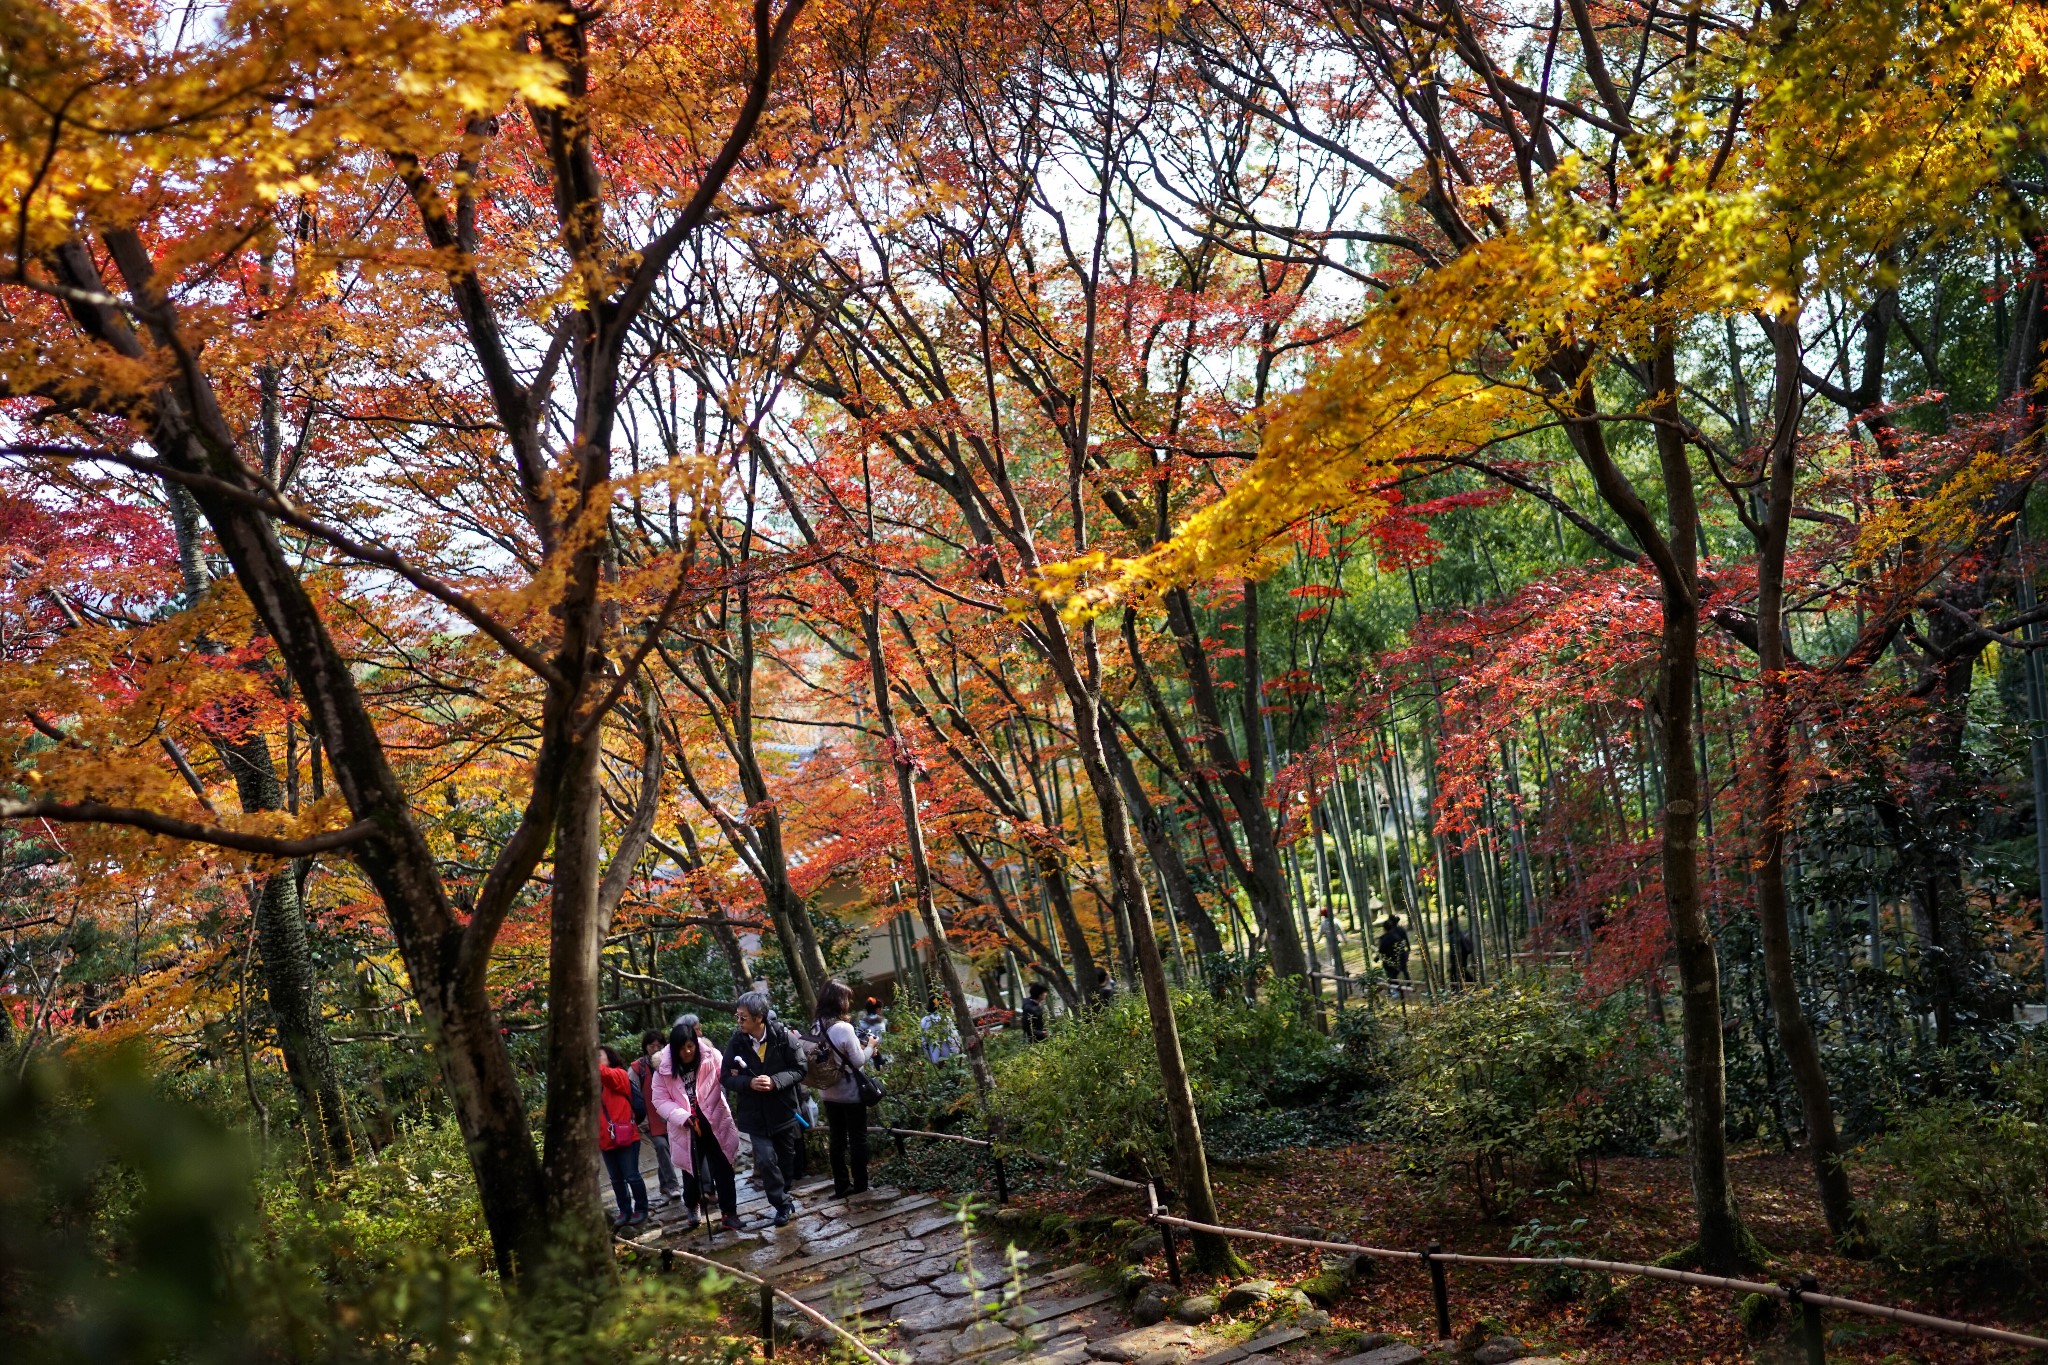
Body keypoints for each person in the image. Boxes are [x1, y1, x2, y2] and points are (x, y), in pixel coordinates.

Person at [650, 1015, 744, 1232]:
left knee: (724, 1167)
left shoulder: (711, 1056)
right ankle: (692, 1204)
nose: (687, 1052)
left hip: (714, 1119)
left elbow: (725, 1075)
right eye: (682, 1048)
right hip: (686, 1127)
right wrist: (684, 1117)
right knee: (692, 1173)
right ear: (674, 1049)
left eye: (691, 1046)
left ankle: (730, 1214)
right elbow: (660, 1100)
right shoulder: (663, 1070)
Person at [724, 990, 806, 1227]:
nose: (739, 1022)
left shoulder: (783, 1036)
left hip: (783, 1111)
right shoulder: (737, 1042)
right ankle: (780, 1204)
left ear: (759, 1018)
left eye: (743, 1018)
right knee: (767, 1160)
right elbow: (726, 1076)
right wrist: (748, 1083)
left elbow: (800, 1069)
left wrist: (775, 1081)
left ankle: (785, 1194)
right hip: (754, 1115)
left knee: (786, 1162)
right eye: (737, 1017)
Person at [810, 980, 873, 1198]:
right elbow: (857, 1061)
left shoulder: (816, 1026)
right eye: (846, 998)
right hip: (850, 1093)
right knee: (857, 1138)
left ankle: (841, 1185)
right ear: (839, 1001)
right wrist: (871, 1048)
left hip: (828, 1093)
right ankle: (861, 1185)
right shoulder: (843, 1028)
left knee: (836, 1140)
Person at [597, 1045, 649, 1228]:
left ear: (609, 1058)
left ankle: (641, 1208)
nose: (595, 1059)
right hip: (605, 1139)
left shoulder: (618, 1075)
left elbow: (605, 1075)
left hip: (626, 1136)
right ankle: (624, 1210)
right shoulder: (594, 1084)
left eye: (598, 1056)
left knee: (632, 1175)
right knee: (616, 1179)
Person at [631, 1029, 682, 1206]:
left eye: (659, 1045)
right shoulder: (637, 1068)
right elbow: (632, 1095)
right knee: (662, 1146)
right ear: (645, 1047)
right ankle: (673, 1185)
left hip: (669, 1115)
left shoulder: (668, 1063)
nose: (656, 1048)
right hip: (649, 1119)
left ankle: (664, 1185)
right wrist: (639, 1120)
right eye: (652, 1045)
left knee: (667, 1149)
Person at [918, 994, 960, 1062]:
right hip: (947, 1056)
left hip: (933, 1057)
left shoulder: (924, 1021)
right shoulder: (945, 1019)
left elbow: (924, 1041)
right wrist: (956, 1053)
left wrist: (928, 1056)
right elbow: (953, 1037)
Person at [1376, 915, 1411, 989]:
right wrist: (1407, 950)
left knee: (1391, 975)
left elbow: (1381, 950)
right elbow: (1404, 942)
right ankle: (1408, 983)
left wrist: (1377, 958)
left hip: (1390, 960)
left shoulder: (1384, 938)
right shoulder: (1399, 932)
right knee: (1404, 970)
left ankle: (1396, 989)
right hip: (1400, 955)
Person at [1448, 916, 1475, 986]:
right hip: (1463, 958)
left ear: (1451, 926)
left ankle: (1476, 984)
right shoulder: (1459, 932)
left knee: (1455, 977)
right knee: (1462, 973)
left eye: (1448, 925)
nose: (1447, 928)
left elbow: (1453, 950)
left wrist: (1452, 959)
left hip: (1457, 959)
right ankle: (1476, 984)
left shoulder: (1453, 935)